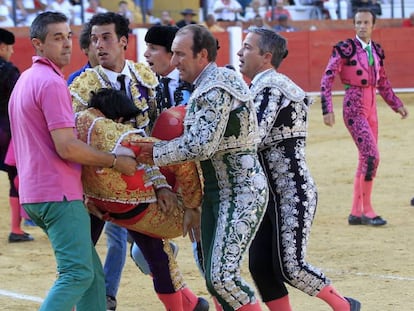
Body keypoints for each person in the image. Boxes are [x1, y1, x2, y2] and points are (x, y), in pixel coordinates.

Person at [69, 12, 208, 311]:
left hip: (138, 186)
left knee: (158, 257)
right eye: (94, 40)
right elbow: (76, 142)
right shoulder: (81, 86)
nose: (99, 46)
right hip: (94, 190)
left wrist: (160, 185)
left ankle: (191, 305)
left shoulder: (145, 79)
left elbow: (151, 137)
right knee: (77, 260)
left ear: (122, 41)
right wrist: (80, 191)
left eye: (106, 38)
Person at [8, 11, 137, 311]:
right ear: (38, 45)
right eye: (57, 38)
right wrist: (114, 160)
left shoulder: (26, 79)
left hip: (35, 192)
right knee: (77, 274)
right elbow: (66, 147)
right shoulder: (52, 83)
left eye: (68, 36)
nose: (67, 44)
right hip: (58, 193)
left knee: (90, 277)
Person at [135, 24, 269, 311]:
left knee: (222, 278)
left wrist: (154, 151)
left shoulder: (216, 85)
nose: (173, 62)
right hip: (217, 192)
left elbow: (200, 145)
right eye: (172, 54)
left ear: (203, 55)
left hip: (240, 190)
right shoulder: (207, 85)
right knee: (214, 278)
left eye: (180, 55)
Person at [237, 26, 361, 311]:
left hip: (292, 193)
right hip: (269, 195)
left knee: (290, 266)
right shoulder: (260, 87)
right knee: (260, 265)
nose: (240, 52)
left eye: (247, 47)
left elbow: (252, 136)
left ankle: (345, 306)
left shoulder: (273, 87)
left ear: (266, 56)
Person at [320, 8, 408, 227]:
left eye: (366, 23)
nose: (362, 26)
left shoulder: (377, 51)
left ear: (373, 26)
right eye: (358, 22)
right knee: (371, 157)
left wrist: (396, 104)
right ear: (354, 25)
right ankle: (367, 211)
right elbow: (327, 78)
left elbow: (384, 82)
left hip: (372, 107)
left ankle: (355, 212)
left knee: (365, 158)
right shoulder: (345, 49)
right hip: (353, 105)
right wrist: (327, 108)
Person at [0, 28, 33, 243]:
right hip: (5, 131)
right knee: (17, 177)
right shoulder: (9, 70)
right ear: (2, 47)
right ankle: (17, 228)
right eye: (10, 47)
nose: (12, 51)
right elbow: (19, 103)